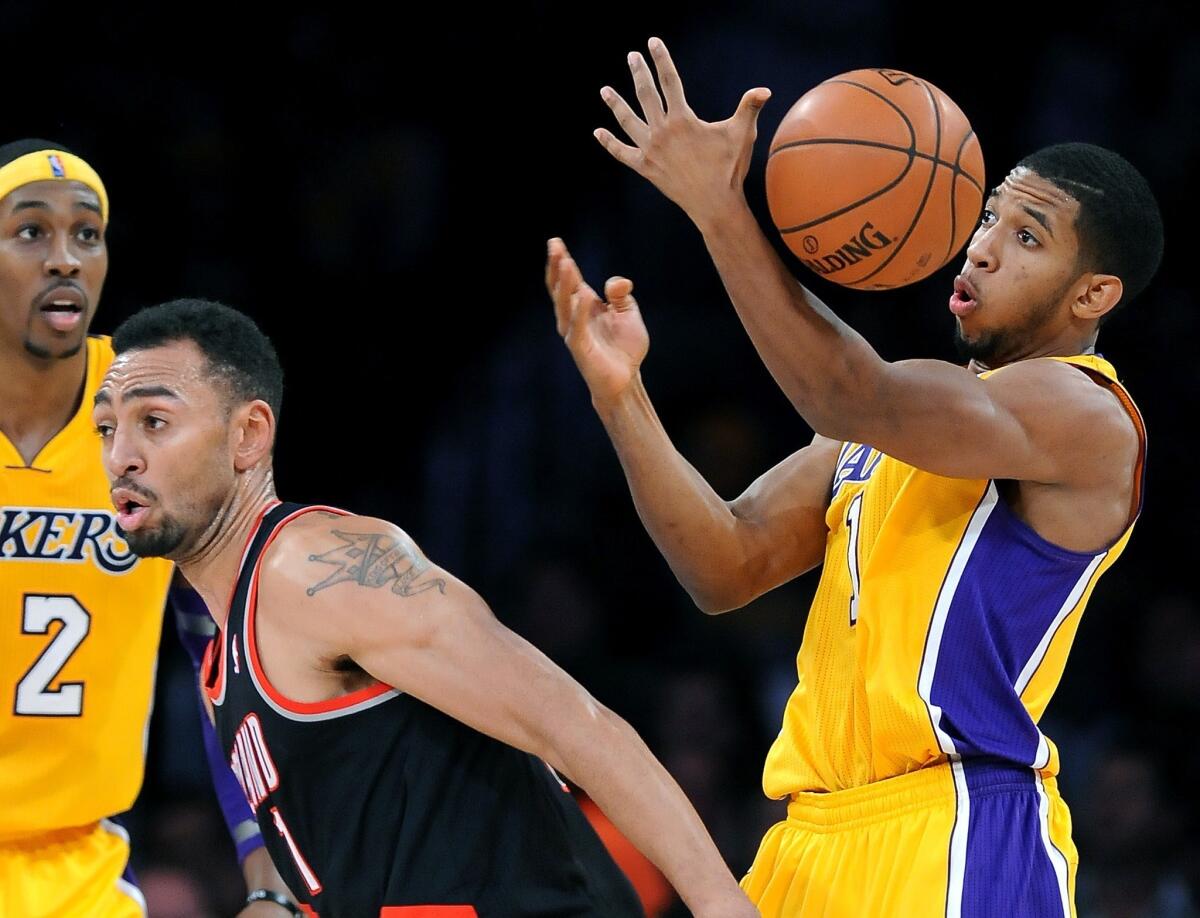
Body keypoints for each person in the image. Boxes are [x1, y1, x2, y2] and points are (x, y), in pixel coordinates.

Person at [545, 38, 1163, 917]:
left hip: (955, 830)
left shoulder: (1088, 416)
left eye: (1026, 236)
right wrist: (622, 399)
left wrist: (723, 210)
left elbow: (846, 389)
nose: (982, 248)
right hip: (804, 841)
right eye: (988, 218)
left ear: (1093, 296)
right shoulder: (897, 424)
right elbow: (724, 566)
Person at [89, 297, 758, 918]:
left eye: (154, 422)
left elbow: (577, 726)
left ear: (249, 436)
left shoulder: (321, 569)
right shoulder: (226, 651)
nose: (122, 456)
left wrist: (721, 905)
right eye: (106, 428)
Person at [0, 140, 294, 917]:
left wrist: (267, 875)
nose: (64, 259)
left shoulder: (159, 424)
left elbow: (225, 653)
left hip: (77, 874)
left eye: (86, 235)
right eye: (31, 232)